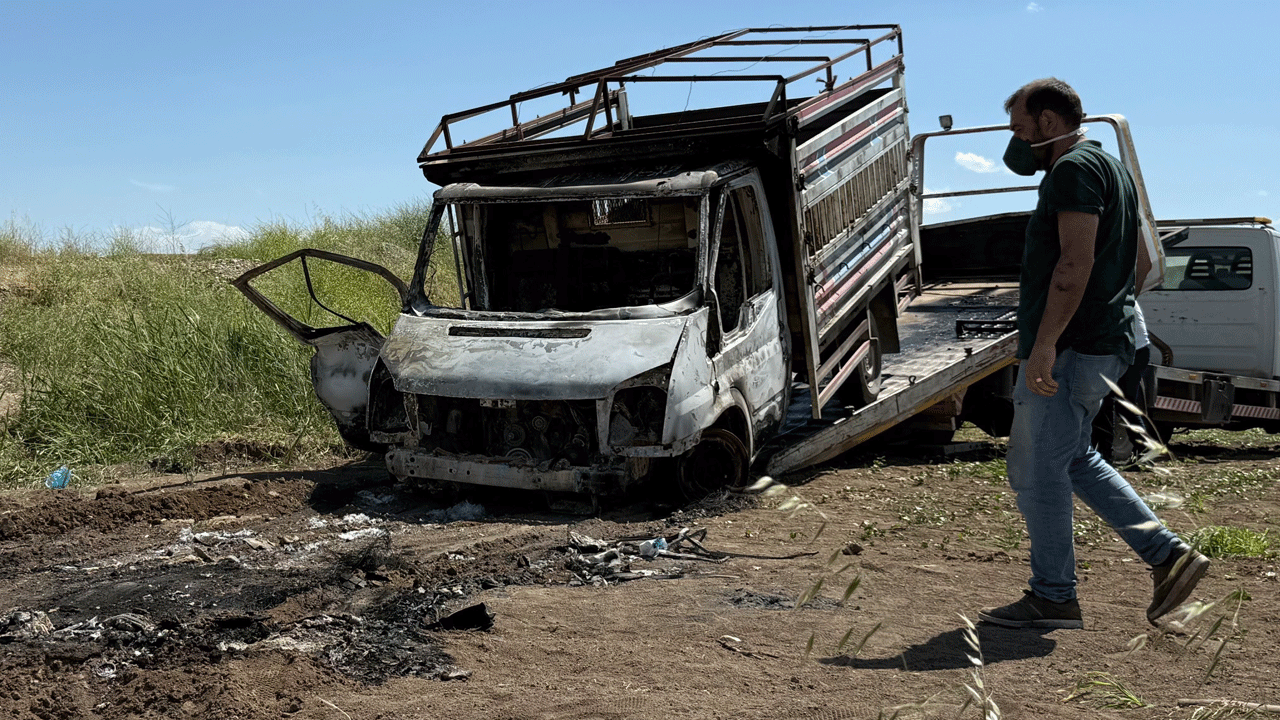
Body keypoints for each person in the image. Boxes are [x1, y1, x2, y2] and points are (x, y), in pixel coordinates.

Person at [978, 78, 1208, 629]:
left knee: (1036, 470)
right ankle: (1168, 557)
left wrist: (1044, 347)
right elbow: (1139, 265)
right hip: (1105, 340)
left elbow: (1074, 264)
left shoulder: (1074, 171)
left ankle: (1055, 595)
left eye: (1019, 127)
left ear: (1050, 122)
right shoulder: (1109, 167)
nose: (1014, 140)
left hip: (1075, 347)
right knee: (1074, 458)